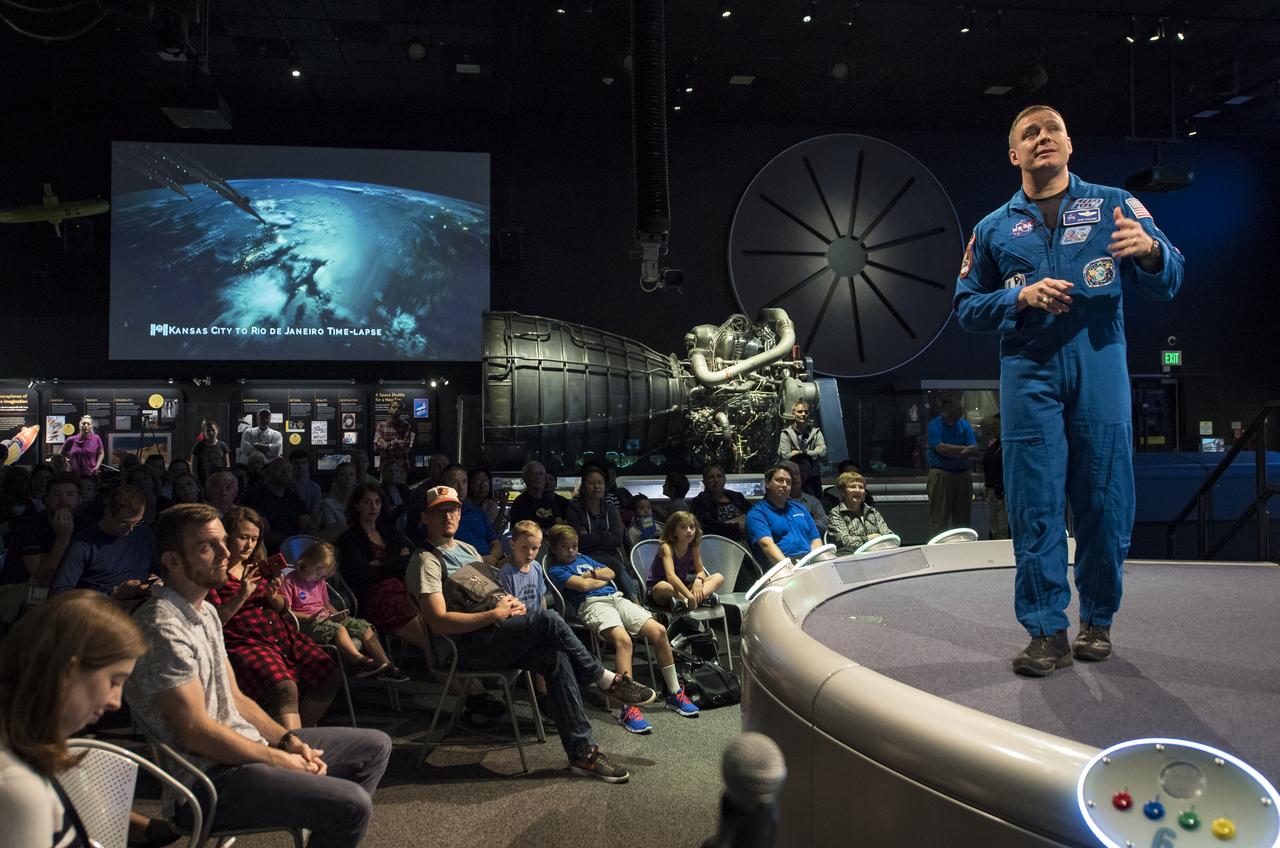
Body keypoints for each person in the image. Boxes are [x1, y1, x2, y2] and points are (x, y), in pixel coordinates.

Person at [953, 104, 1183, 676]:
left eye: (1051, 129)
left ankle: (1098, 621)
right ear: (1014, 155)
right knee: (1035, 505)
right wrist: (1018, 299)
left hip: (1099, 366)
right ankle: (1046, 632)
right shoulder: (992, 228)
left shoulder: (1113, 205)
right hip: (1028, 373)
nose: (1041, 138)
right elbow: (965, 309)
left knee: (1105, 499)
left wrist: (1152, 253)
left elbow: (1172, 274)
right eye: (1028, 133)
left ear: (1069, 144)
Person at [125, 503, 392, 846]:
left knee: (375, 747)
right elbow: (194, 733)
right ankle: (325, 810)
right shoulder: (162, 626)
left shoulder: (204, 611)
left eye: (225, 541)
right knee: (350, 805)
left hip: (244, 752)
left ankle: (320, 812)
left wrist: (288, 740)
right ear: (172, 560)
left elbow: (236, 699)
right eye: (210, 546)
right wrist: (281, 759)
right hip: (207, 781)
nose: (227, 552)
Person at [406, 487, 652, 781]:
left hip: (494, 633)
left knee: (556, 657)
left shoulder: (468, 550)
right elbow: (439, 622)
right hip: (465, 647)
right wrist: (494, 614)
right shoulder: (426, 561)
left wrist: (508, 604)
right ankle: (603, 678)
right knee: (548, 620)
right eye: (439, 511)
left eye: (453, 509)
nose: (449, 516)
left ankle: (582, 753)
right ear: (425, 517)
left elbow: (489, 593)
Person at [0, 590, 153, 848]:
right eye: (114, 681)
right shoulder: (19, 788)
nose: (116, 701)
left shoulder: (21, 757)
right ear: (67, 671)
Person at [547, 523, 698, 735]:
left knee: (660, 631)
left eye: (574, 546)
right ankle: (628, 708)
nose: (571, 551)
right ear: (554, 548)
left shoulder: (584, 559)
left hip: (616, 599)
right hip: (592, 604)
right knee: (624, 640)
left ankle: (674, 693)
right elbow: (582, 587)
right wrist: (597, 579)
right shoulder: (556, 568)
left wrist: (591, 576)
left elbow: (611, 572)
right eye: (565, 547)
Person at [209, 506, 339, 728]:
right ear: (227, 536)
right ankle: (293, 750)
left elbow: (282, 608)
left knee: (329, 674)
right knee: (284, 688)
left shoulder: (257, 566)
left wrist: (273, 596)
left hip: (279, 632)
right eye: (243, 537)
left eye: (254, 539)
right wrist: (242, 595)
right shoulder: (215, 573)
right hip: (244, 639)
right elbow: (213, 623)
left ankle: (299, 736)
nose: (249, 545)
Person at [282, 541, 408, 683]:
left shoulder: (319, 581)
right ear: (307, 562)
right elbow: (287, 612)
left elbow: (325, 604)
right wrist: (309, 617)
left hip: (325, 618)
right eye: (318, 572)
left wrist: (337, 614)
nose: (319, 577)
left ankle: (386, 666)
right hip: (306, 624)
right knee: (339, 629)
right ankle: (360, 662)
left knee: (363, 626)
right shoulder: (289, 581)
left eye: (323, 576)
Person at [335, 483, 430, 658]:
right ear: (356, 505)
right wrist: (396, 561)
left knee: (432, 611)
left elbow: (411, 558)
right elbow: (362, 574)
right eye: (367, 502)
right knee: (431, 641)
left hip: (404, 589)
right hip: (376, 597)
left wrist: (383, 562)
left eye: (378, 502)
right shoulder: (349, 539)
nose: (374, 507)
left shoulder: (390, 532)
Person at [49, 484, 157, 600]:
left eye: (136, 523)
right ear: (108, 511)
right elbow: (59, 593)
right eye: (124, 523)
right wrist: (113, 594)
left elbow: (158, 569)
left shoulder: (143, 533)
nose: (131, 529)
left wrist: (156, 581)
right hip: (102, 610)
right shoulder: (83, 545)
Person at [4, 472, 91, 592]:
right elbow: (42, 579)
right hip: (22, 591)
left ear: (79, 500)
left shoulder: (87, 525)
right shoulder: (30, 528)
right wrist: (62, 538)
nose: (63, 500)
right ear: (47, 500)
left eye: (70, 494)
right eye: (56, 495)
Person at [566, 466, 636, 600]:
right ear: (584, 487)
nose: (596, 486)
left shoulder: (611, 509)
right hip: (585, 556)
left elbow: (617, 539)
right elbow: (579, 541)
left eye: (600, 483)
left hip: (610, 554)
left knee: (613, 562)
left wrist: (591, 536)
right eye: (591, 483)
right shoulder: (575, 508)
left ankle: (629, 602)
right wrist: (605, 535)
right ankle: (635, 601)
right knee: (614, 564)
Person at [647, 511, 724, 611]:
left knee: (718, 577)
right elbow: (671, 576)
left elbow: (700, 571)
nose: (689, 531)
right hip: (661, 592)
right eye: (683, 527)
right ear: (673, 531)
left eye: (692, 527)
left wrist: (698, 580)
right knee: (664, 586)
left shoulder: (693, 546)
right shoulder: (667, 547)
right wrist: (689, 596)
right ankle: (694, 600)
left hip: (682, 589)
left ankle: (687, 602)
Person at [747, 465, 822, 565]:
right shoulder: (757, 513)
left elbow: (815, 540)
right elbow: (767, 545)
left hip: (808, 562)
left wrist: (815, 563)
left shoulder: (801, 508)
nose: (784, 485)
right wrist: (790, 567)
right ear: (767, 483)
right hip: (780, 566)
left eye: (788, 482)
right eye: (780, 480)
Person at [926, 396, 977, 537]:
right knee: (939, 518)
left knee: (963, 519)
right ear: (946, 408)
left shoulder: (964, 425)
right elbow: (940, 448)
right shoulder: (934, 425)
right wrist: (962, 450)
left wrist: (950, 452)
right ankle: (937, 553)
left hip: (963, 476)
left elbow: (973, 448)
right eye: (958, 408)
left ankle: (963, 551)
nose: (961, 411)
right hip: (941, 475)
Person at [435, 464, 503, 564]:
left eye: (464, 482)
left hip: (490, 565)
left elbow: (496, 543)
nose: (461, 487)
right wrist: (480, 562)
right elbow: (443, 553)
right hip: (464, 569)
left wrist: (491, 559)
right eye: (455, 482)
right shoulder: (441, 516)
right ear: (444, 486)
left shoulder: (477, 511)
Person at [243, 457, 313, 552]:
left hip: (296, 548)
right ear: (268, 472)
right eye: (280, 468)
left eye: (288, 469)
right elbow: (264, 532)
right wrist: (292, 541)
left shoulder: (294, 498)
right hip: (268, 550)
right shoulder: (256, 497)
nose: (285, 472)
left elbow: (307, 523)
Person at [827, 471, 893, 555]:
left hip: (877, 554)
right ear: (842, 492)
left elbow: (888, 535)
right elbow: (845, 541)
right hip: (850, 559)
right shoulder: (836, 513)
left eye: (861, 487)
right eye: (853, 487)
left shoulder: (873, 512)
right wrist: (869, 538)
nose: (858, 490)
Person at [690, 463, 751, 543]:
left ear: (725, 479)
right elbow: (707, 528)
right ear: (704, 482)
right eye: (711, 477)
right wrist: (737, 527)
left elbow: (754, 514)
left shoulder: (737, 496)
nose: (716, 480)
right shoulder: (700, 502)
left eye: (719, 476)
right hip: (716, 547)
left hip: (746, 543)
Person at [777, 401, 826, 495]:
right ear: (793, 414)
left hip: (813, 476)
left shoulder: (816, 432)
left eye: (806, 412)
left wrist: (801, 453)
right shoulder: (786, 434)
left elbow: (823, 451)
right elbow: (785, 455)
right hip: (792, 477)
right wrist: (813, 452)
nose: (803, 414)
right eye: (800, 412)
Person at [507, 461, 566, 530]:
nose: (537, 477)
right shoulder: (520, 502)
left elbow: (558, 522)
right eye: (533, 474)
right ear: (525, 479)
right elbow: (520, 531)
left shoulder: (550, 500)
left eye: (540, 474)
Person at [781, 459, 828, 535]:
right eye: (790, 473)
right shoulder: (775, 502)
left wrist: (800, 528)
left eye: (797, 473)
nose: (795, 477)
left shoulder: (813, 501)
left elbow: (823, 524)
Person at [983, 413, 1010, 540]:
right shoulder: (993, 445)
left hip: (1003, 491)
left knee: (1003, 525)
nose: (994, 428)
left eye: (996, 424)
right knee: (993, 526)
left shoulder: (1008, 445)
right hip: (991, 490)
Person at [318, 459, 358, 540]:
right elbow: (331, 531)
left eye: (351, 474)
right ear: (336, 479)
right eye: (343, 474)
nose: (348, 478)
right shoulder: (328, 504)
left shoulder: (362, 501)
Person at [373, 399, 414, 473]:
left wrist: (387, 443)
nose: (396, 409)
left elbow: (407, 446)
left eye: (399, 408)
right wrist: (397, 442)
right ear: (389, 410)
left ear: (401, 411)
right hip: (385, 467)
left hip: (402, 467)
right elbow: (376, 446)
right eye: (394, 407)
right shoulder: (381, 425)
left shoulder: (406, 426)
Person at [468, 466, 507, 536]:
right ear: (469, 484)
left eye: (486, 482)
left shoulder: (490, 505)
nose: (482, 486)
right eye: (478, 482)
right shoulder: (464, 504)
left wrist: (503, 506)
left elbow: (494, 532)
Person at [288, 449, 323, 527]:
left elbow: (314, 513)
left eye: (304, 463)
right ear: (290, 465)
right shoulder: (285, 485)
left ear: (308, 465)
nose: (300, 467)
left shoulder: (315, 488)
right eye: (296, 463)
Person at [190, 419, 231, 483]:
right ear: (204, 433)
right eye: (208, 431)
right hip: (203, 480)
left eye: (213, 430)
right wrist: (195, 479)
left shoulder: (222, 445)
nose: (211, 432)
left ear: (217, 431)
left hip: (219, 480)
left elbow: (227, 464)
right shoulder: (198, 446)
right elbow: (193, 465)